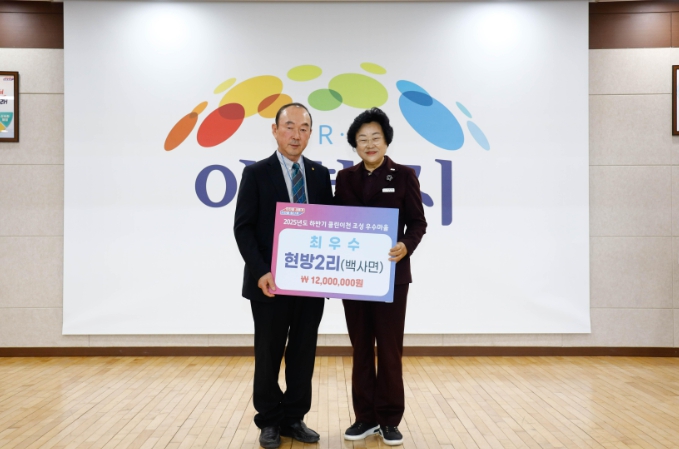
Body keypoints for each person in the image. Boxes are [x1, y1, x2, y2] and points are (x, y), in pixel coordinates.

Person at [233, 103, 333, 449]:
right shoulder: (256, 173)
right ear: (275, 130)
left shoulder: (320, 174)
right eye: (289, 127)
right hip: (270, 284)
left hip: (310, 284)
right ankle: (269, 420)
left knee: (304, 353)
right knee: (269, 353)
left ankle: (294, 418)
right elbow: (243, 228)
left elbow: (329, 226)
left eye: (303, 128)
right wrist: (260, 270)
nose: (296, 135)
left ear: (310, 133)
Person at [334, 107, 427, 446]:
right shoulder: (345, 178)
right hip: (354, 277)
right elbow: (335, 222)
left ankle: (389, 419)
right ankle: (365, 417)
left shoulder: (403, 176)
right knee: (360, 347)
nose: (370, 144)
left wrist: (406, 245)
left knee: (388, 349)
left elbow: (418, 223)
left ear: (386, 141)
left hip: (391, 276)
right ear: (354, 145)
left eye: (376, 137)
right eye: (362, 139)